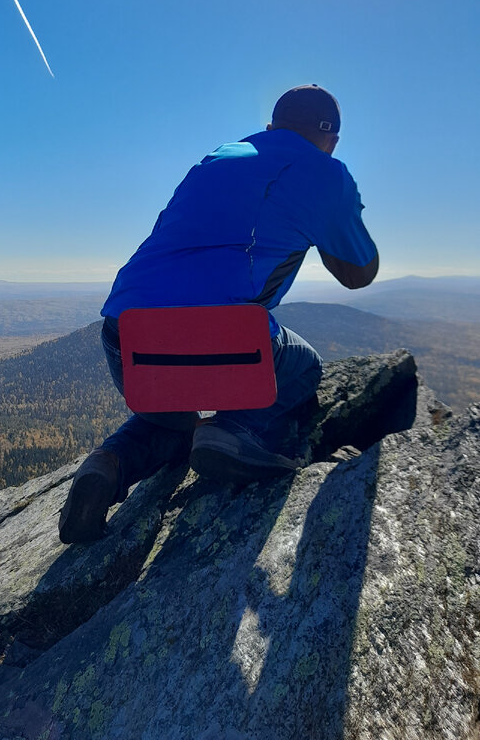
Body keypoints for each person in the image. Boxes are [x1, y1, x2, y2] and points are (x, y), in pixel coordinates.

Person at [59, 85, 379, 544]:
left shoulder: (221, 155)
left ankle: (108, 465)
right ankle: (238, 431)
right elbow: (358, 272)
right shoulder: (328, 173)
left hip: (124, 335)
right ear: (332, 139)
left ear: (271, 127)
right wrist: (340, 213)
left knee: (174, 416)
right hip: (223, 338)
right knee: (304, 365)